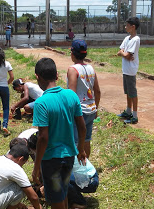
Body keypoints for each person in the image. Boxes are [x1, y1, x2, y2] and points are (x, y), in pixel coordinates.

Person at [32, 58, 87, 209]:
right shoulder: (71, 96)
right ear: (57, 75)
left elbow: (43, 138)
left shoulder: (41, 103)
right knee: (62, 194)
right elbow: (82, 127)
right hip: (69, 156)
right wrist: (81, 149)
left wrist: (36, 167)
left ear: (38, 77)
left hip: (51, 161)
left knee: (56, 201)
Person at [67, 40, 101, 159]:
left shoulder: (73, 69)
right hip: (91, 109)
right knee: (86, 140)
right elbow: (97, 91)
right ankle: (86, 164)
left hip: (80, 111)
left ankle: (78, 168)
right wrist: (96, 108)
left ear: (73, 53)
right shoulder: (91, 68)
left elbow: (72, 94)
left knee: (76, 141)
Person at [116, 17, 140, 124]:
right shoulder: (127, 38)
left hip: (131, 70)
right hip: (125, 69)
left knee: (132, 93)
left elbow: (126, 54)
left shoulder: (136, 39)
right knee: (127, 92)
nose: (125, 27)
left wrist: (124, 53)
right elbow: (121, 51)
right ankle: (128, 111)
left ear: (133, 27)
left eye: (127, 25)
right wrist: (124, 53)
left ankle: (134, 115)